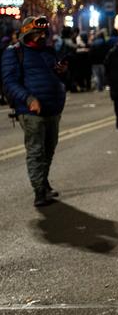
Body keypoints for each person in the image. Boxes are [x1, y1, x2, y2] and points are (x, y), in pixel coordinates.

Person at [1, 16, 67, 207]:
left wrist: (61, 72)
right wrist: (29, 99)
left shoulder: (48, 51)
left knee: (49, 148)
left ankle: (43, 182)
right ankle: (39, 191)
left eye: (44, 33)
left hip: (52, 108)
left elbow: (53, 74)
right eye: (37, 32)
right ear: (28, 32)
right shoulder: (14, 53)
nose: (41, 36)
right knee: (36, 150)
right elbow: (10, 82)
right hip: (31, 111)